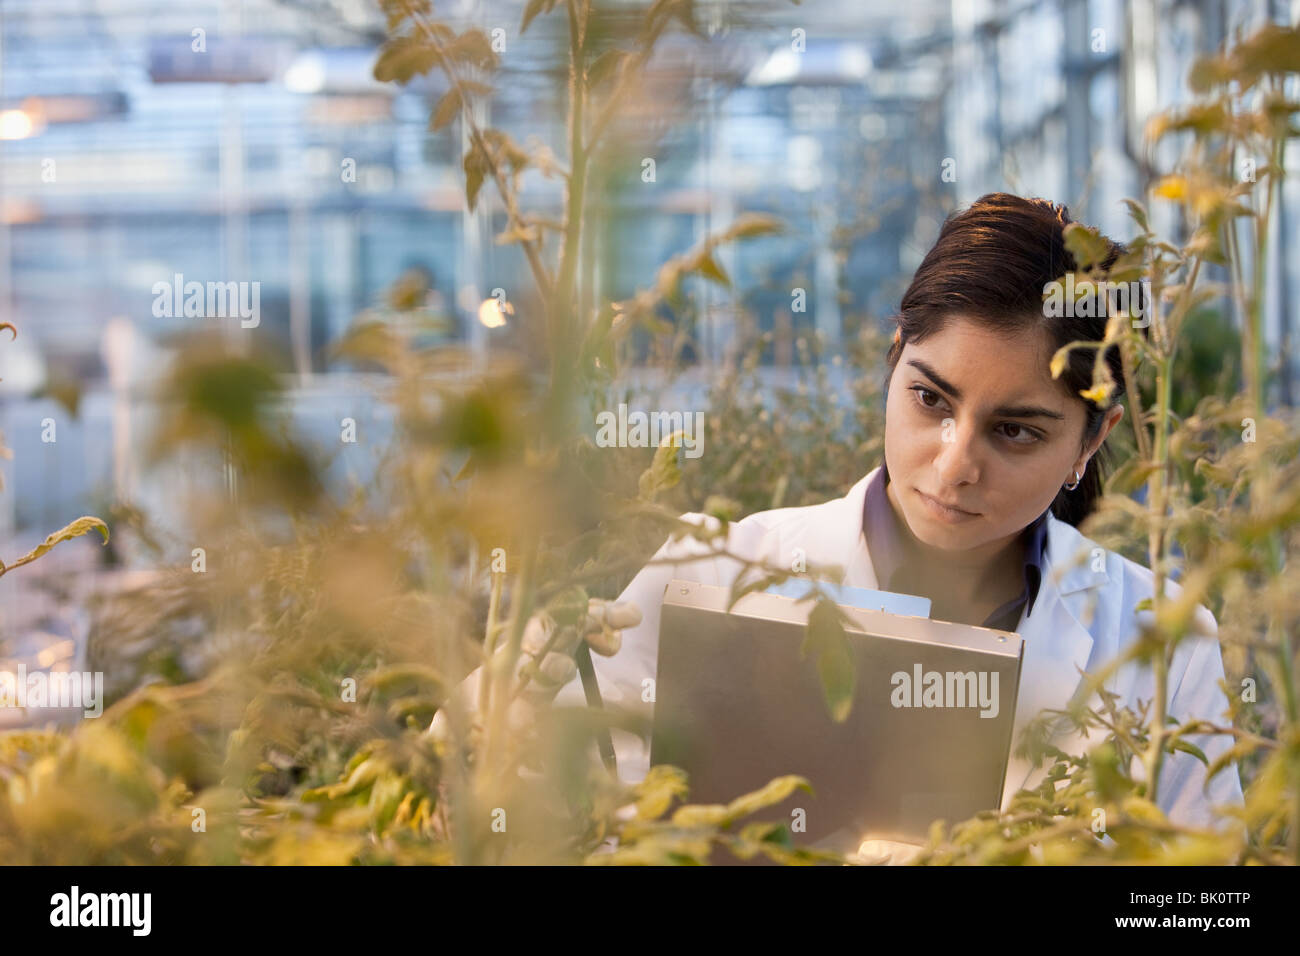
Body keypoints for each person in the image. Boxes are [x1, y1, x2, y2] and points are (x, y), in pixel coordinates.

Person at [433, 193, 1246, 862]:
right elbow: (479, 768)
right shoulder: (719, 572)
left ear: (1091, 440)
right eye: (931, 400)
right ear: (894, 360)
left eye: (1016, 431)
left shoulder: (1162, 643)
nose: (954, 463)